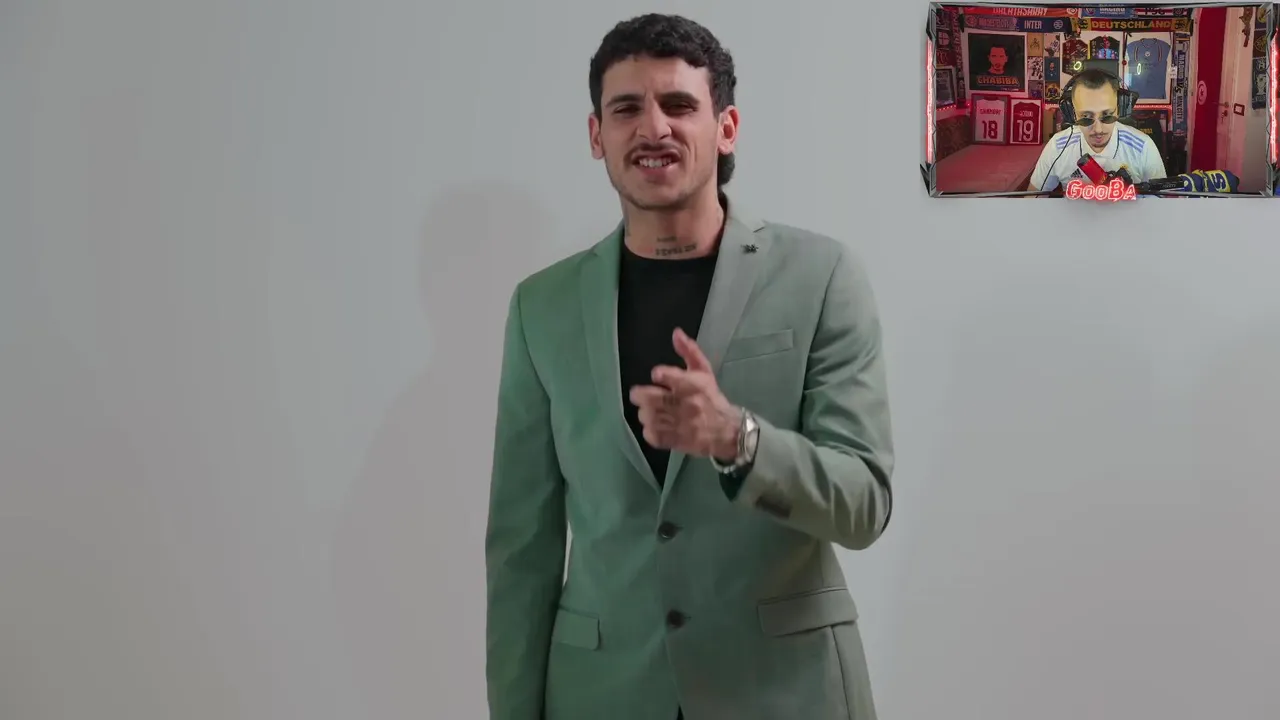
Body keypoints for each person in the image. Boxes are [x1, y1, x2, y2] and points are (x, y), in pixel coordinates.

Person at [485, 13, 894, 720]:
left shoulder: (823, 276)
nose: (654, 128)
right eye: (626, 109)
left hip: (783, 691)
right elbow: (521, 550)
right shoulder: (539, 308)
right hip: (603, 696)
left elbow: (863, 505)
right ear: (597, 136)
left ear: (726, 128)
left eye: (678, 104)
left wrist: (739, 440)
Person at [1026, 68, 1167, 192]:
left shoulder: (1143, 147)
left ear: (1120, 108)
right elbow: (1032, 200)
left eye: (1107, 115)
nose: (1098, 129)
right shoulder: (1057, 147)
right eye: (1086, 117)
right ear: (1072, 114)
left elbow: (1161, 204)